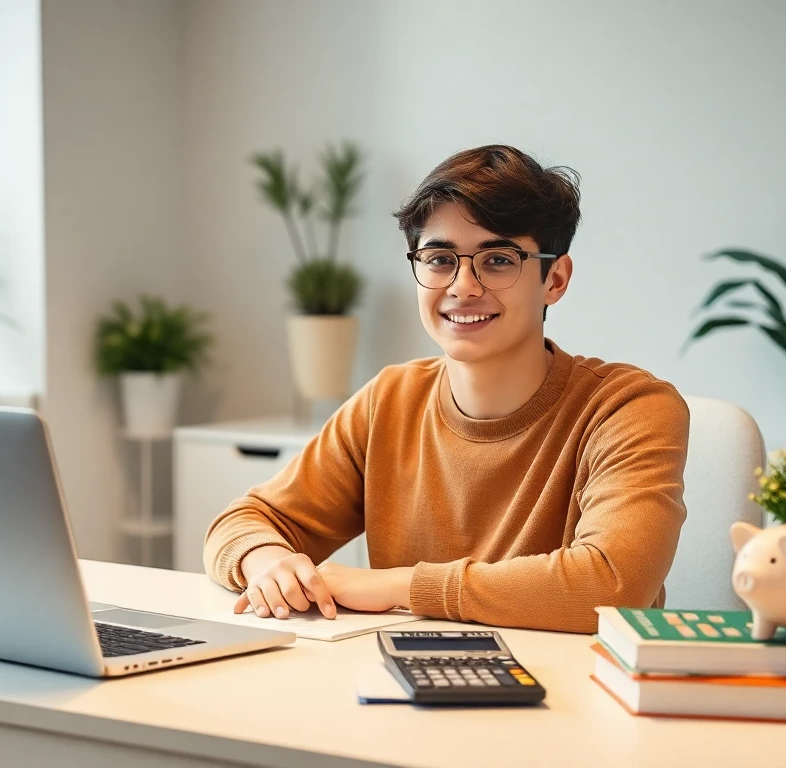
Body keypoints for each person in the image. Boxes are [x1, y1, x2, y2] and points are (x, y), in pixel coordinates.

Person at [203, 145, 689, 634]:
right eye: (439, 259)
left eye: (498, 260)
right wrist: (266, 562)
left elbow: (612, 585)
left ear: (555, 279)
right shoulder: (389, 400)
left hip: (575, 696)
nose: (463, 286)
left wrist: (402, 587)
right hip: (407, 689)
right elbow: (246, 520)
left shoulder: (630, 408)